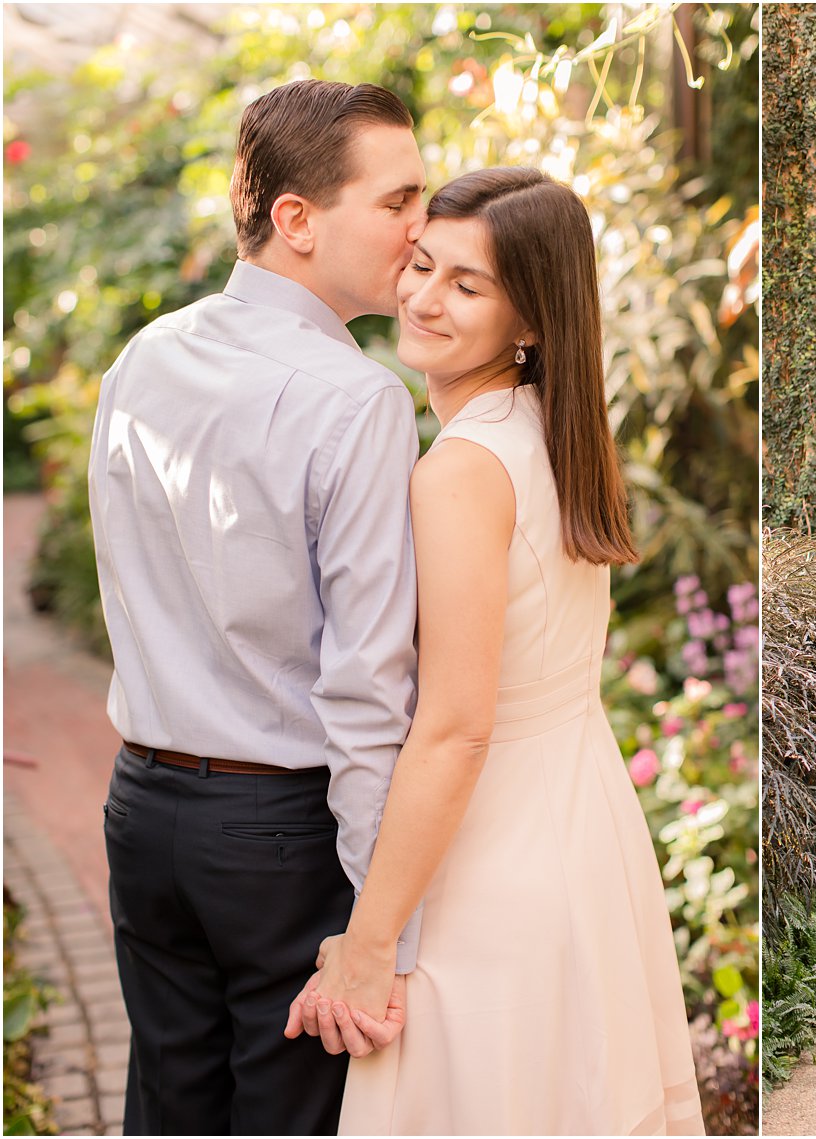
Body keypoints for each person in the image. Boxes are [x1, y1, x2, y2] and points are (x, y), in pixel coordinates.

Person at [284, 167, 705, 1136]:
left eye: (466, 285)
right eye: (421, 264)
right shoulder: (550, 437)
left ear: (528, 322)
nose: (423, 297)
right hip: (581, 826)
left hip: (489, 865)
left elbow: (454, 729)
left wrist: (369, 940)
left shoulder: (459, 470)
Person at [88, 79, 426, 1134]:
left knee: (169, 1103)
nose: (421, 231)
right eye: (397, 200)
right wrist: (383, 933)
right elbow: (368, 688)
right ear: (296, 219)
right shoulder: (359, 398)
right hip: (279, 837)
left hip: (142, 811)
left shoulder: (146, 354)